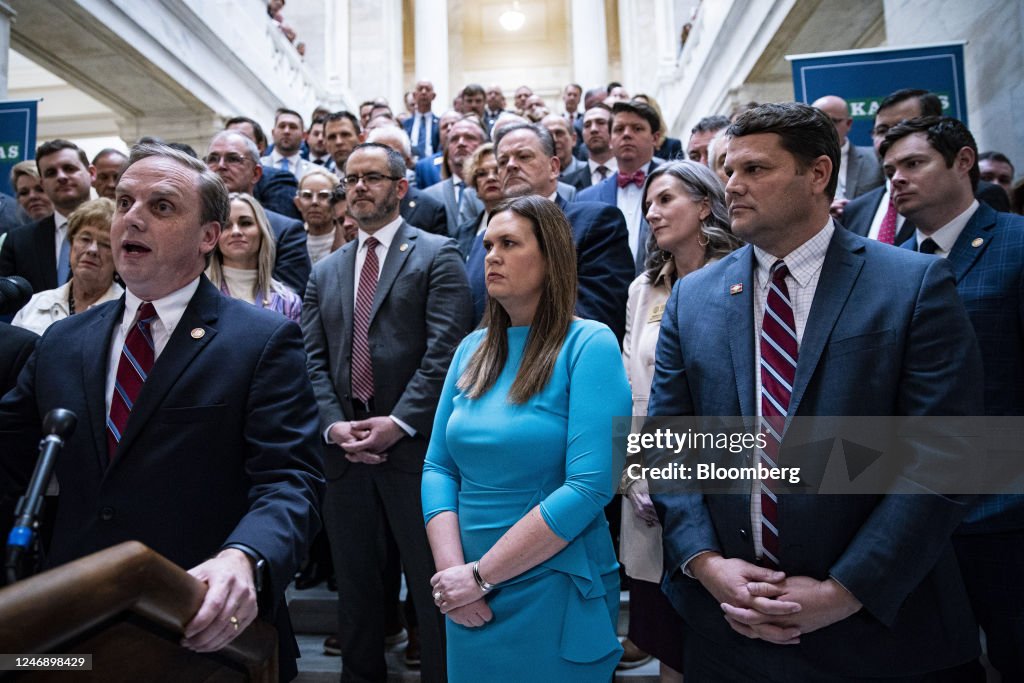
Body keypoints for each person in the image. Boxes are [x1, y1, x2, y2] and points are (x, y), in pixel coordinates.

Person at [649, 103, 984, 680]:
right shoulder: (693, 298)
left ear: (819, 174)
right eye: (729, 170)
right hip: (730, 626)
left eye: (756, 170)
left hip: (881, 631)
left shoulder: (911, 283)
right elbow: (671, 444)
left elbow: (947, 454)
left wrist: (845, 589)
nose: (733, 185)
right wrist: (706, 564)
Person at [0, 141, 324, 682]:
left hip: (202, 630)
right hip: (68, 637)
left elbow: (291, 480)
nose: (133, 218)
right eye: (124, 201)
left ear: (208, 237)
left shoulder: (262, 340)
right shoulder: (60, 342)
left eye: (162, 206)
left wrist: (245, 557)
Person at [423, 194, 631, 681]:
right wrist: (455, 576)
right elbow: (438, 467)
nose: (491, 255)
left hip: (553, 579)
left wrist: (481, 576)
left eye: (509, 243)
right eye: (488, 243)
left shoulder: (590, 344)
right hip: (467, 592)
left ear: (550, 256)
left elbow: (590, 486)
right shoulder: (472, 349)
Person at [301, 142, 472, 683]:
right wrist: (334, 424)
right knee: (356, 592)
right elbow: (311, 360)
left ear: (401, 188)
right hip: (345, 454)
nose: (357, 188)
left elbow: (446, 352)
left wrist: (397, 423)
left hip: (416, 452)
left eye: (371, 177)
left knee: (430, 586)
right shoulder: (325, 272)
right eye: (349, 180)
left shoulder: (438, 253)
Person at [883, 115, 1024, 681]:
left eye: (914, 164)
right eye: (890, 169)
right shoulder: (887, 262)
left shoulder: (1015, 245)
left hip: (1006, 509)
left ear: (963, 162)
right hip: (912, 511)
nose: (897, 180)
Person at [621, 161, 742, 683]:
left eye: (665, 199)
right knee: (667, 636)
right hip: (649, 480)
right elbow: (632, 390)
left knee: (722, 635)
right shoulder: (643, 289)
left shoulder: (746, 274)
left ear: (705, 205)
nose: (652, 212)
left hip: (728, 476)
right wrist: (633, 474)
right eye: (648, 203)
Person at [12, 198, 123, 335]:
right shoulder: (35, 304)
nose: (92, 250)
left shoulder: (126, 313)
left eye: (105, 244)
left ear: (120, 257)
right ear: (71, 246)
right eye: (85, 239)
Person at [0, 140, 95, 293]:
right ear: (43, 183)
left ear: (91, 173)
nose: (61, 177)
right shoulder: (17, 241)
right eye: (51, 173)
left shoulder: (120, 229)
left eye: (69, 168)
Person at [207, 192, 302, 323]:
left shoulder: (287, 302)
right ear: (215, 236)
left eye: (245, 223)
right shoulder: (198, 295)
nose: (236, 232)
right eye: (226, 225)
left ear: (262, 231)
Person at [452, 143, 502, 258]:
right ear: (476, 188)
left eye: (497, 171)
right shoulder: (463, 232)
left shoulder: (525, 223)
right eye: (482, 174)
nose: (490, 178)